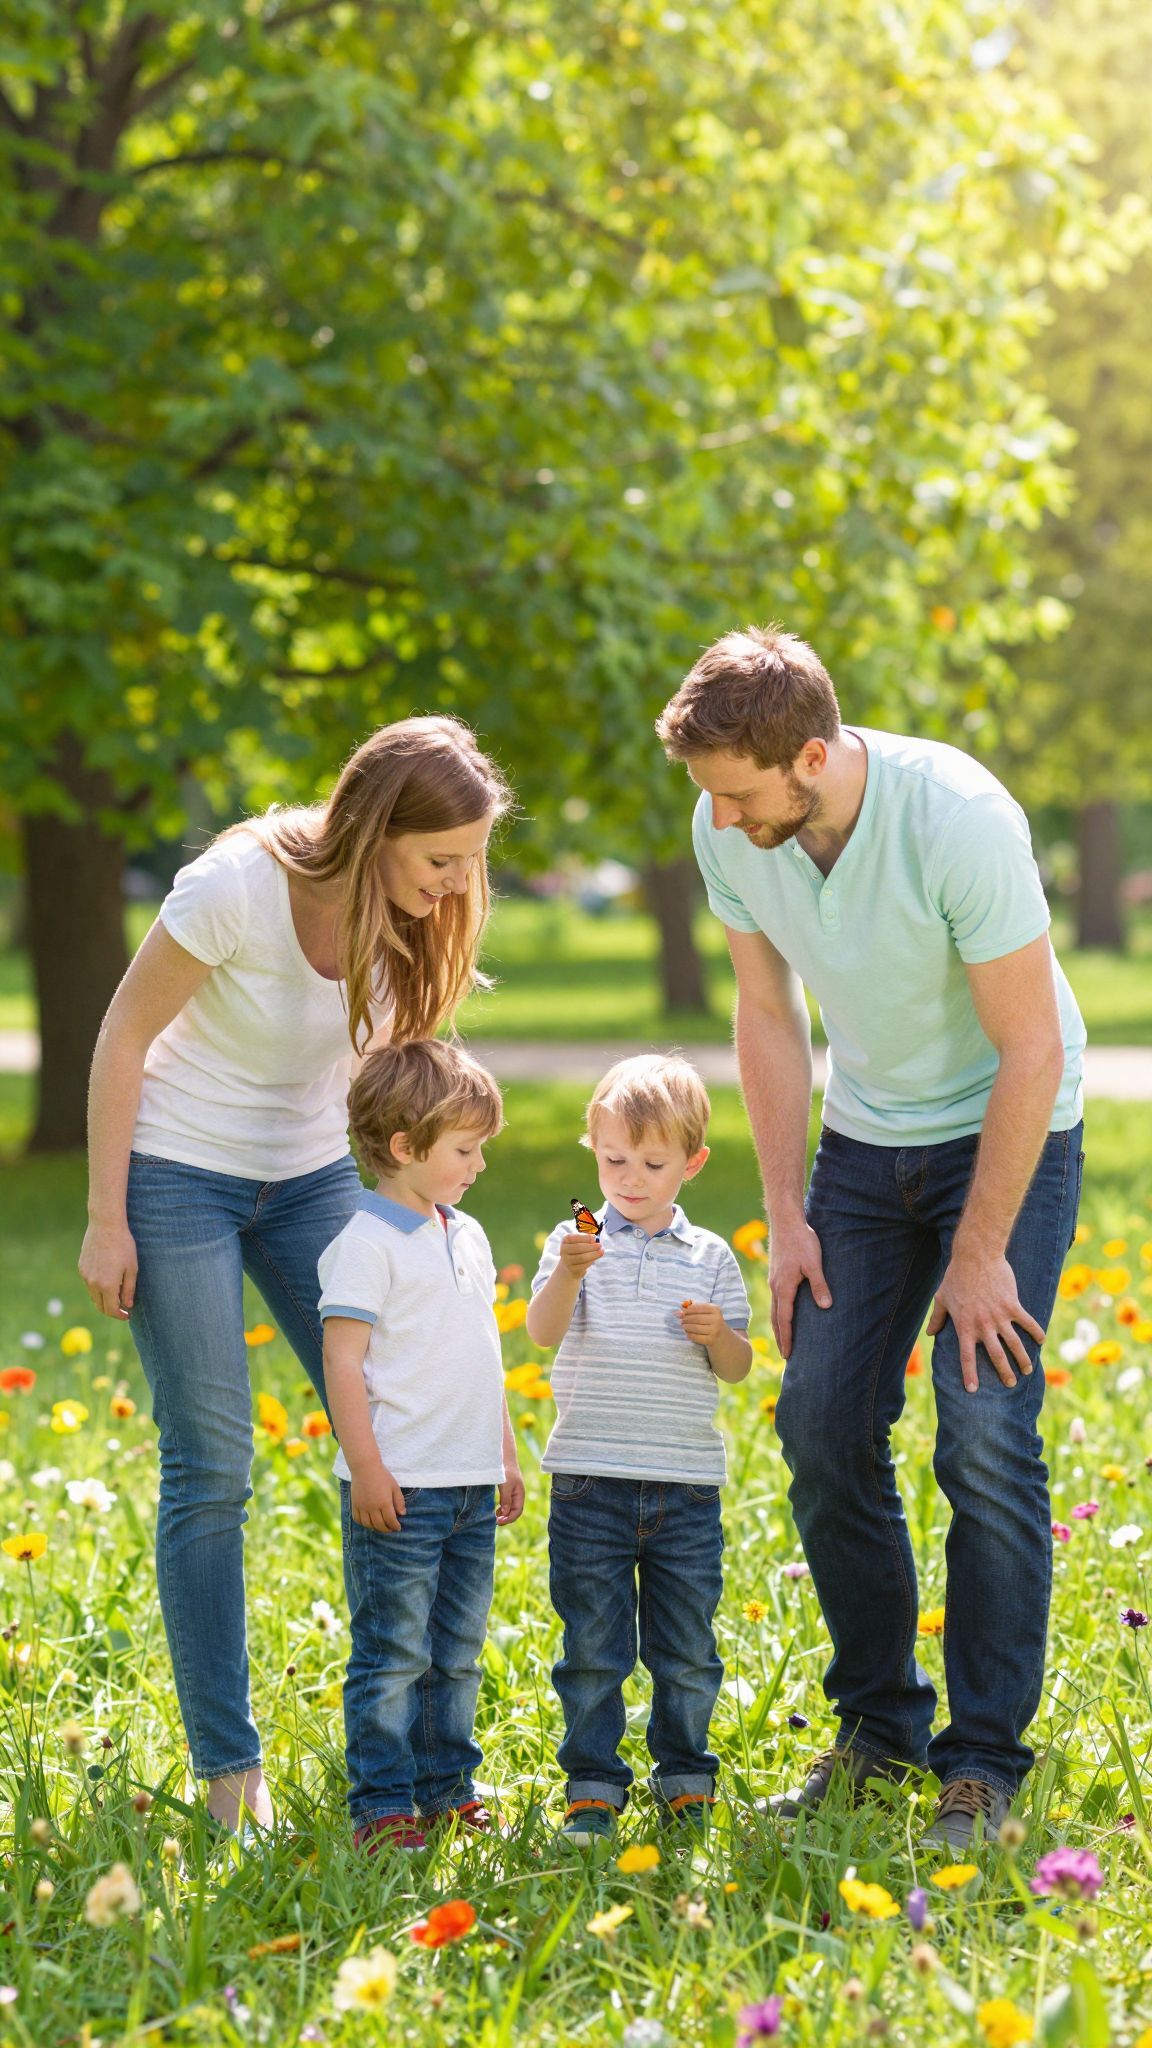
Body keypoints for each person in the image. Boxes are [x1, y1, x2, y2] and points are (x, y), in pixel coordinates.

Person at [657, 628, 1086, 1849]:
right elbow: (767, 1014)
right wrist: (787, 1214)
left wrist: (980, 1250)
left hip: (1006, 1134)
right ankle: (880, 1733)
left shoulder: (957, 818)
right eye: (712, 800)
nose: (726, 823)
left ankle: (986, 1759)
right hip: (864, 1147)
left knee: (987, 1429)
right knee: (822, 1422)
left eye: (742, 795)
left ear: (810, 754)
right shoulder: (730, 825)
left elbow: (1033, 1048)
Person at [78, 716, 510, 1832]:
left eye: (471, 857)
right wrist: (104, 1214)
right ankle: (231, 1772)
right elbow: (122, 1036)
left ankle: (420, 1764)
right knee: (212, 1461)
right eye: (441, 858)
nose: (461, 882)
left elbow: (394, 1081)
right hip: (179, 1172)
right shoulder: (233, 887)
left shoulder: (418, 915)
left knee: (407, 1432)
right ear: (373, 829)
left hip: (313, 1172)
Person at [526, 1055, 752, 1845]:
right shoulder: (578, 1234)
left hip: (684, 1485)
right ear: (594, 1148)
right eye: (613, 1159)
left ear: (691, 1164)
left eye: (652, 1164)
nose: (629, 1178)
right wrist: (566, 1273)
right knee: (591, 1644)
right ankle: (593, 1781)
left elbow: (739, 1367)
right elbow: (542, 1332)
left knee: (687, 1644)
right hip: (590, 1477)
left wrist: (718, 1334)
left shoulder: (712, 1256)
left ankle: (685, 1772)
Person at [320, 1040, 523, 1853]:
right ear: (404, 1149)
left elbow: (485, 1351)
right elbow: (342, 1361)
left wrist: (503, 1454)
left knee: (458, 1652)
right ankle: (383, 1802)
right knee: (394, 1653)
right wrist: (366, 1466)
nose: (477, 1165)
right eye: (464, 1150)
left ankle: (448, 1788)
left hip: (470, 1484)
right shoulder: (365, 1243)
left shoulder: (464, 1232)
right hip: (401, 1488)